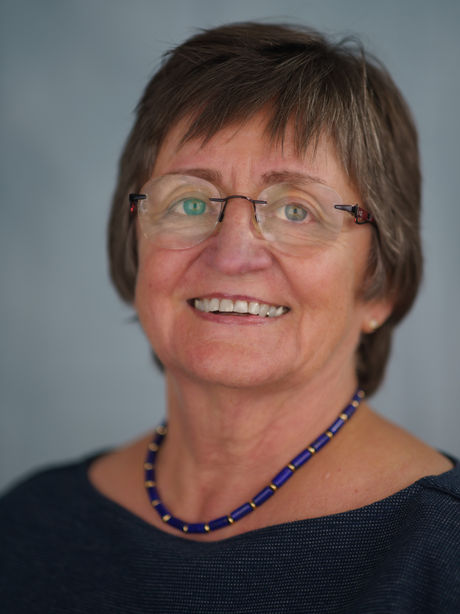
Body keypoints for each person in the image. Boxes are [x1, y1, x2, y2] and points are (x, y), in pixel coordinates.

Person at [1, 22, 459, 614]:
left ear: (381, 283)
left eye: (297, 210)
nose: (232, 253)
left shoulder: (443, 554)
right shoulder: (29, 526)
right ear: (134, 243)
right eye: (190, 201)